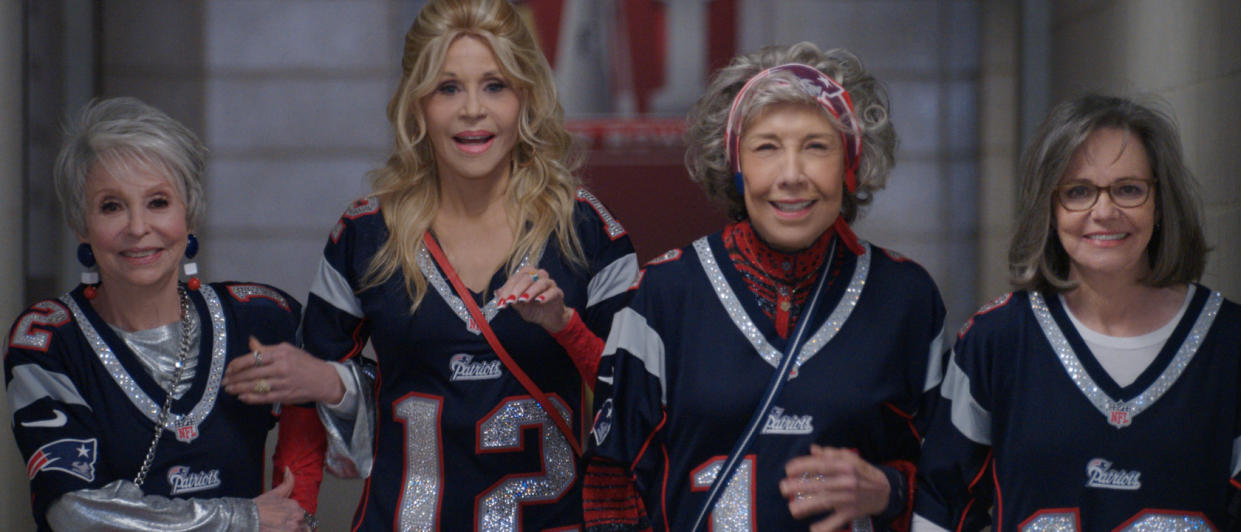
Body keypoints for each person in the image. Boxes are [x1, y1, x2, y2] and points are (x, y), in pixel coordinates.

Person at [219, 0, 639, 529]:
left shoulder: (589, 232)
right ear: (417, 105)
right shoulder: (366, 234)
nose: (471, 109)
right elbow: (306, 399)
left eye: (495, 85)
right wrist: (297, 508)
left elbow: (637, 405)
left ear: (527, 98)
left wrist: (564, 327)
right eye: (447, 88)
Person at [583, 42, 947, 531]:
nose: (791, 176)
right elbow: (611, 485)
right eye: (767, 147)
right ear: (734, 164)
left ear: (851, 164)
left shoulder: (906, 299)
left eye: (817, 146)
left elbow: (959, 486)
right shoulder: (666, 292)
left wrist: (892, 490)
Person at [913, 94, 1239, 531]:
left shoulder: (1230, 343)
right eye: (1078, 191)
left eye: (1128, 189)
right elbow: (942, 504)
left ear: (1160, 203)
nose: (1104, 212)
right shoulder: (996, 340)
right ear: (1049, 206)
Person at [5, 97, 322, 531]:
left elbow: (381, 412)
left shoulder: (261, 317)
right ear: (82, 223)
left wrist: (325, 383)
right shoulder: (50, 340)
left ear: (189, 213)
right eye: (111, 206)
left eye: (158, 202)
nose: (138, 228)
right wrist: (240, 519)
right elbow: (75, 510)